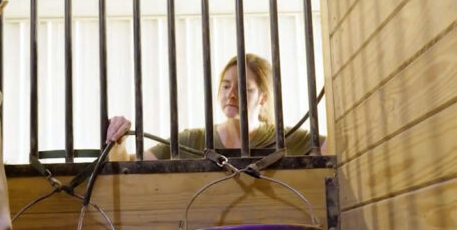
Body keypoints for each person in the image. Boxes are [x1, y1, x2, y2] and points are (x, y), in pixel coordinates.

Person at [106, 53, 327, 160]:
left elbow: (335, 148)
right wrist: (118, 140)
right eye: (226, 86)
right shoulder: (192, 140)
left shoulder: (285, 138)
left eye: (243, 89)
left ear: (263, 97)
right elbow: (131, 164)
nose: (231, 95)